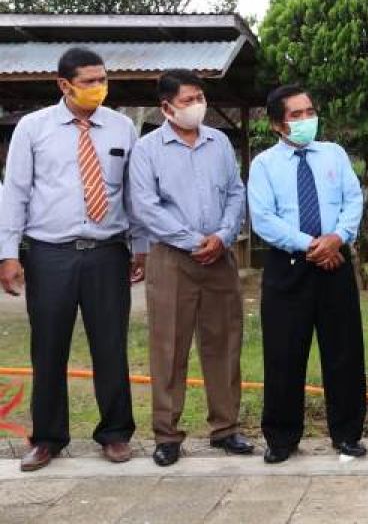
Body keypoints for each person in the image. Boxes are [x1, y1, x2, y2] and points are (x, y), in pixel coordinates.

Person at [0, 47, 140, 471]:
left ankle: (115, 434)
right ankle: (47, 439)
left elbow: (133, 193)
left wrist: (142, 246)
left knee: (111, 346)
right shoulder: (33, 128)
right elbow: (16, 192)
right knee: (48, 348)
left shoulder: (122, 127)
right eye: (89, 81)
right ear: (64, 85)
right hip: (49, 254)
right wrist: (7, 254)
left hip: (108, 252)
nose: (99, 88)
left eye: (103, 79)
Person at [129, 70, 252, 467]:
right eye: (188, 99)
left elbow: (236, 192)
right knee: (169, 346)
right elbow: (145, 206)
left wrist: (223, 235)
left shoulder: (219, 143)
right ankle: (167, 435)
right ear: (166, 107)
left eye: (200, 96)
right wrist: (191, 240)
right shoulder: (147, 149)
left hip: (220, 256)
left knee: (224, 343)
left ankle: (226, 428)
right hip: (171, 259)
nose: (197, 104)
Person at [247, 85, 367, 464]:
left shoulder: (334, 154)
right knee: (284, 354)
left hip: (336, 265)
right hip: (289, 266)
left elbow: (353, 199)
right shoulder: (264, 165)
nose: (305, 120)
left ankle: (347, 435)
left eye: (309, 112)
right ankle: (282, 438)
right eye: (295, 115)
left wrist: (337, 238)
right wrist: (312, 245)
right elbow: (264, 218)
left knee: (344, 353)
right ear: (276, 124)